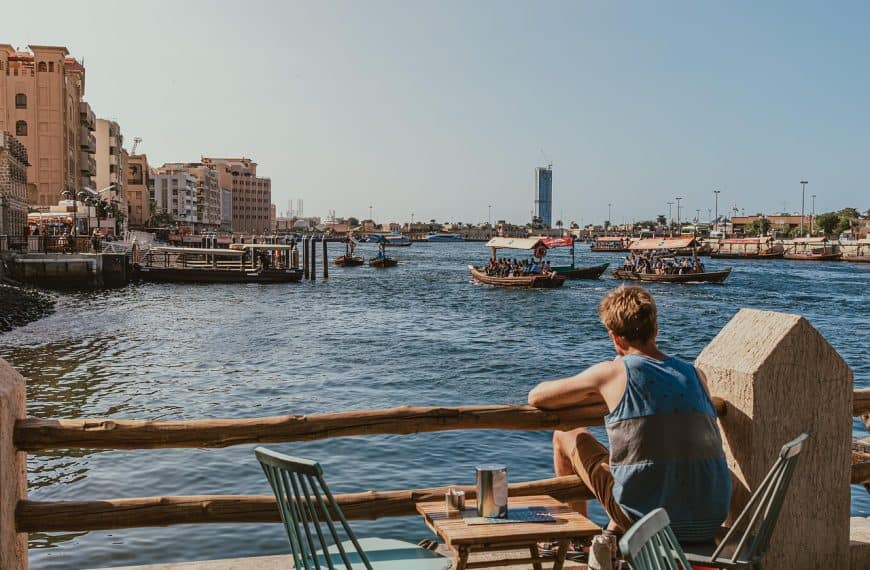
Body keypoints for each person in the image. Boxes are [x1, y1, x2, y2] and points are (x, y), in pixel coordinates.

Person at [527, 286, 731, 543]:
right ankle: (611, 532)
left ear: (615, 338)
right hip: (708, 521)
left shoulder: (613, 373)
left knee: (566, 435)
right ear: (655, 329)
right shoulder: (695, 374)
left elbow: (537, 396)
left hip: (650, 525)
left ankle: (577, 541)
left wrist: (603, 388)